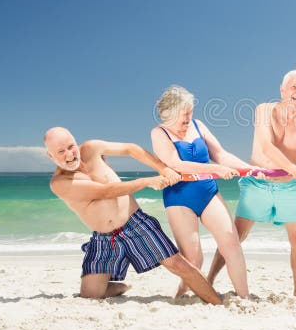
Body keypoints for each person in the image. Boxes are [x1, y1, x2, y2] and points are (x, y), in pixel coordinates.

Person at [44, 127, 221, 304]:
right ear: (51, 157)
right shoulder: (59, 183)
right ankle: (121, 287)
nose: (69, 154)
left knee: (178, 264)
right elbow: (106, 192)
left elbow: (130, 149)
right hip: (104, 238)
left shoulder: (91, 148)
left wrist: (163, 169)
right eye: (61, 152)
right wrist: (146, 181)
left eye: (71, 146)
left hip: (134, 224)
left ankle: (217, 303)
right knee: (90, 294)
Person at [207, 69, 296, 299]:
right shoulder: (263, 110)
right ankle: (209, 279)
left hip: (290, 186)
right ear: (282, 90)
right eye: (293, 86)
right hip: (257, 183)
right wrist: (295, 169)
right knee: (236, 235)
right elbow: (266, 147)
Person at [150, 85, 251, 298]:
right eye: (183, 113)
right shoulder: (159, 133)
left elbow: (221, 155)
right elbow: (175, 164)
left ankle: (245, 298)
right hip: (179, 198)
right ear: (169, 113)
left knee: (231, 243)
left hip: (208, 192)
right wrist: (214, 169)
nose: (188, 117)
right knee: (194, 260)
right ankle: (181, 295)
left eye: (190, 111)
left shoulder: (198, 125)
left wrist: (250, 170)